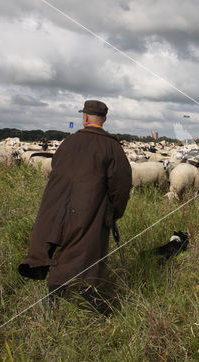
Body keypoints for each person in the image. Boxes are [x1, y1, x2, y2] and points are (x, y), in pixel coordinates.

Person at [19, 100, 132, 311]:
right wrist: (113, 212)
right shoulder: (112, 147)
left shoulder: (68, 142)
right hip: (91, 210)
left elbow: (56, 168)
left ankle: (54, 302)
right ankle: (88, 306)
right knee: (88, 253)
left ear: (85, 117)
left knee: (61, 248)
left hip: (57, 208)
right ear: (104, 119)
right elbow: (122, 185)